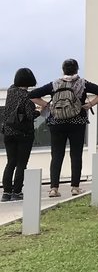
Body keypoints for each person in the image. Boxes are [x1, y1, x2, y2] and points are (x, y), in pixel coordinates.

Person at [28, 59, 98, 197]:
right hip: (77, 122)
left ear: (63, 70)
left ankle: (54, 188)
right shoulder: (82, 83)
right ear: (77, 69)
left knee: (57, 155)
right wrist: (90, 105)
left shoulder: (55, 84)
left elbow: (32, 95)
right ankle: (75, 188)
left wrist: (48, 105)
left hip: (57, 122)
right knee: (76, 155)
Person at [2, 68, 40, 202]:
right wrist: (39, 111)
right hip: (23, 133)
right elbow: (29, 115)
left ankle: (6, 192)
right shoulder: (27, 96)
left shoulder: (10, 91)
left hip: (8, 132)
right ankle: (17, 191)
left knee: (10, 162)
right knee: (21, 163)